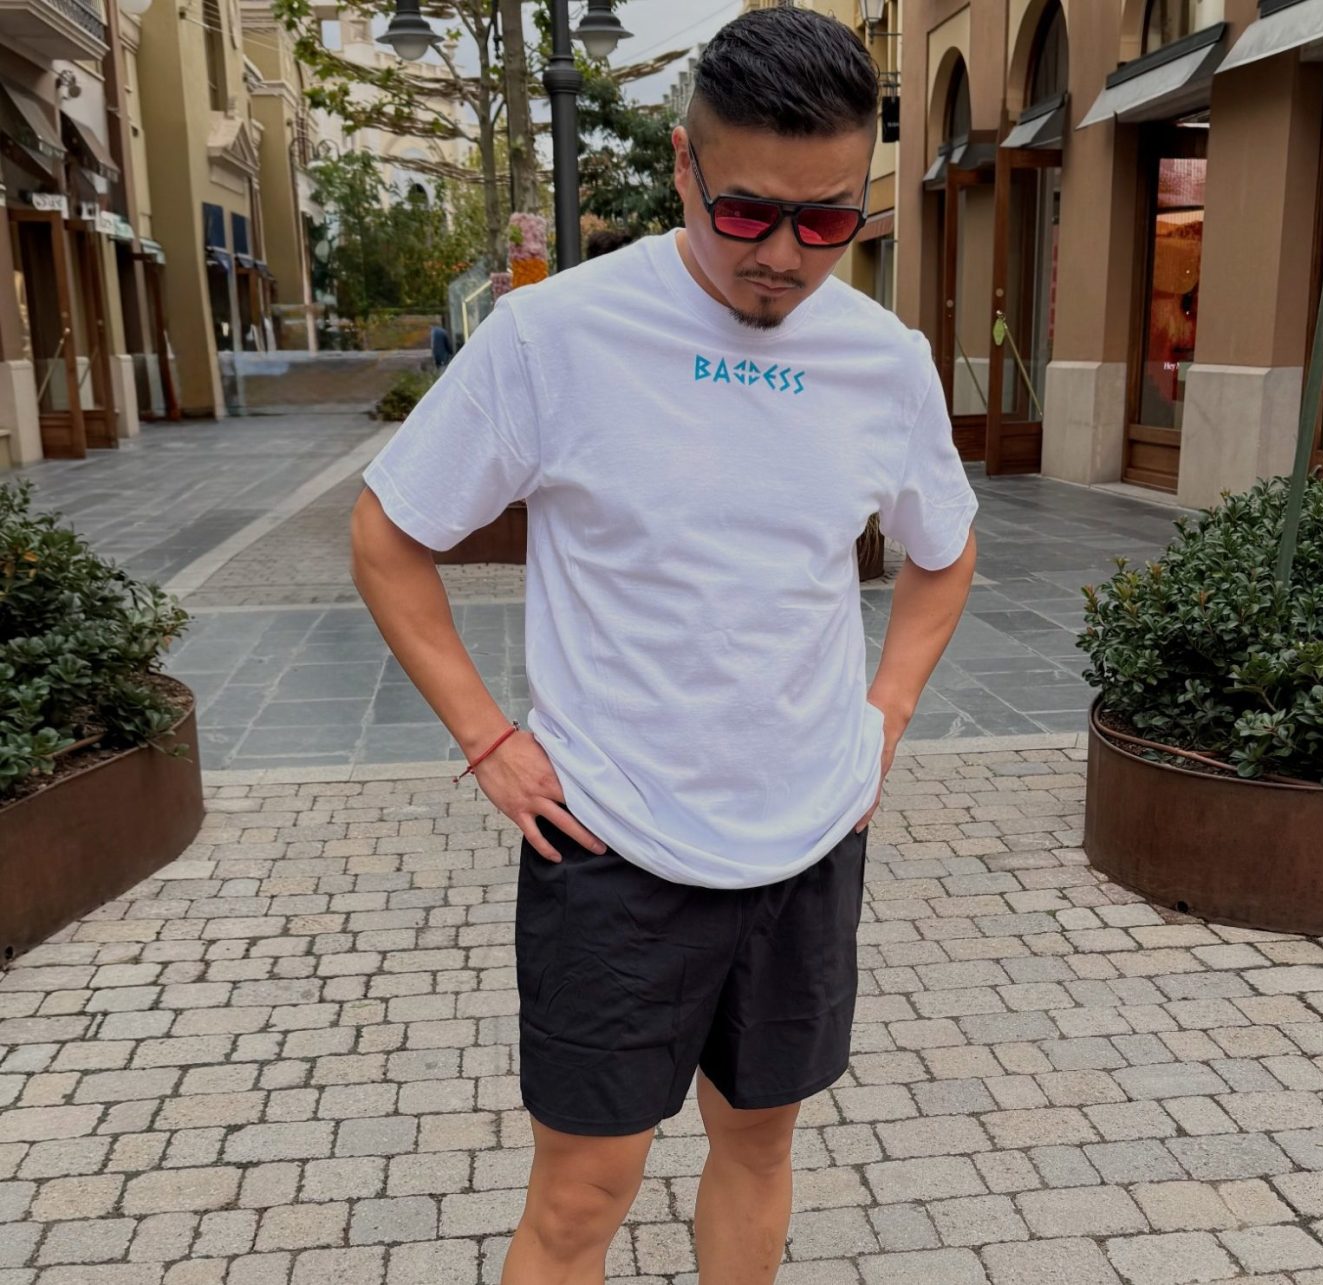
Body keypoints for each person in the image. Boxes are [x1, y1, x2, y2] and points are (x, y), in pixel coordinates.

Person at [350, 9, 978, 1283]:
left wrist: (886, 712)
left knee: (758, 1144)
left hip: (807, 838)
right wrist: (487, 738)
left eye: (826, 221)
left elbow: (945, 549)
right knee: (583, 1194)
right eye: (747, 213)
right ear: (683, 165)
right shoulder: (557, 335)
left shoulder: (884, 359)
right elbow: (387, 532)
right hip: (612, 842)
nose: (784, 257)